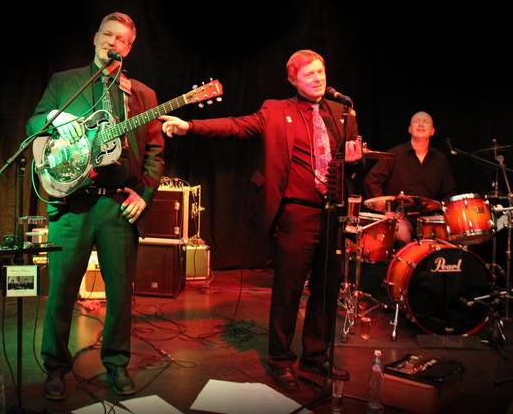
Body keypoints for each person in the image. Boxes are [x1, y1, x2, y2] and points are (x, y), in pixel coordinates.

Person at [160, 49, 361, 391]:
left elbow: (352, 162)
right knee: (288, 290)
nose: (317, 78)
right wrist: (189, 126)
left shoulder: (343, 112)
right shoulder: (276, 110)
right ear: (293, 80)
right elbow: (236, 126)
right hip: (296, 212)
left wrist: (355, 161)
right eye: (309, 74)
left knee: (326, 291)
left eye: (321, 72)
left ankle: (316, 360)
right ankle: (281, 360)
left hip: (332, 212)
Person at [25, 12, 164, 400]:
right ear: (95, 37)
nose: (112, 42)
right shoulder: (65, 82)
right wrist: (55, 118)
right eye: (107, 34)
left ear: (129, 49)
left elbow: (155, 154)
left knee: (120, 294)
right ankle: (55, 366)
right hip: (72, 204)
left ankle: (116, 364)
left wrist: (144, 195)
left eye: (121, 39)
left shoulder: (143, 95)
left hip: (117, 206)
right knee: (61, 292)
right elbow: (33, 125)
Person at [363, 111, 457, 242]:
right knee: (402, 233)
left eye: (426, 121)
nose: (421, 124)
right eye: (416, 121)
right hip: (399, 216)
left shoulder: (440, 159)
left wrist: (445, 214)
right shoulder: (395, 154)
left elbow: (449, 192)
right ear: (409, 129)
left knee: (450, 233)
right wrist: (386, 210)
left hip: (428, 219)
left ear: (433, 131)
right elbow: (372, 180)